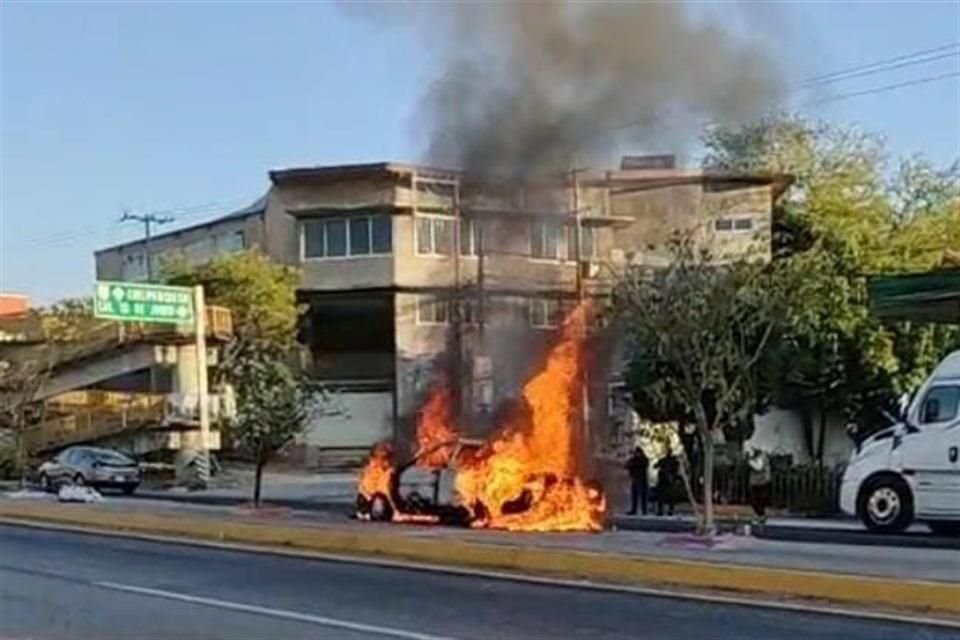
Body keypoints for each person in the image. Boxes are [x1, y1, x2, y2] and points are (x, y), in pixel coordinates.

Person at [748, 448, 772, 524]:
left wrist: (750, 461)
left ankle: (761, 516)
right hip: (755, 483)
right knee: (754, 501)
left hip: (761, 483)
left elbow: (758, 467)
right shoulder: (757, 457)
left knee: (759, 501)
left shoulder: (762, 457)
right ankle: (759, 516)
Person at [625, 446, 649, 515]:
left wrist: (633, 465)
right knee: (634, 495)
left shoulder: (644, 459)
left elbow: (642, 465)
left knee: (643, 496)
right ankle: (634, 509)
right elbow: (627, 465)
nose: (636, 454)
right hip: (635, 479)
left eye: (638, 452)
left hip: (642, 480)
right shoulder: (634, 459)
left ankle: (644, 510)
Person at [656, 449, 679, 516]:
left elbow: (676, 469)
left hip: (668, 481)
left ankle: (666, 511)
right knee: (665, 497)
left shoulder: (672, 461)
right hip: (665, 481)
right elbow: (656, 465)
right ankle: (665, 510)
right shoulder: (665, 460)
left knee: (667, 497)